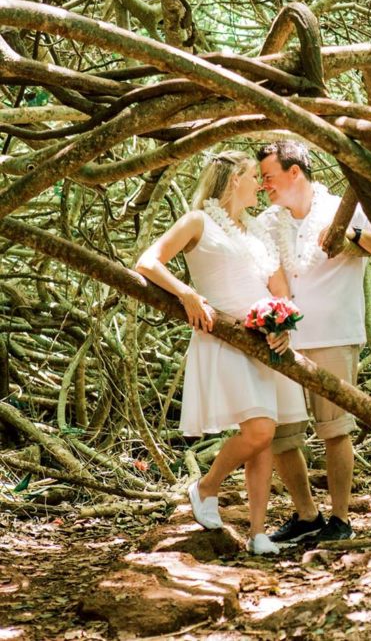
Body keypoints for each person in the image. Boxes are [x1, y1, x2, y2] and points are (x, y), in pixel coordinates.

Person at [135, 151, 308, 555]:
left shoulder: (258, 232)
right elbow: (147, 261)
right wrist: (187, 294)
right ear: (233, 179)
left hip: (261, 343)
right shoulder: (198, 221)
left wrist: (283, 327)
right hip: (223, 337)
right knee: (259, 431)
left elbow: (281, 293)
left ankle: (259, 533)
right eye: (253, 176)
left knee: (262, 438)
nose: (260, 184)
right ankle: (206, 486)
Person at [256, 140, 371, 545]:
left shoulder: (344, 208)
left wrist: (352, 234)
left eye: (269, 176)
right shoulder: (268, 221)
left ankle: (340, 518)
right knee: (282, 433)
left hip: (334, 334)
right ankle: (306, 515)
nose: (265, 185)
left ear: (294, 172)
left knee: (335, 429)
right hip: (281, 339)